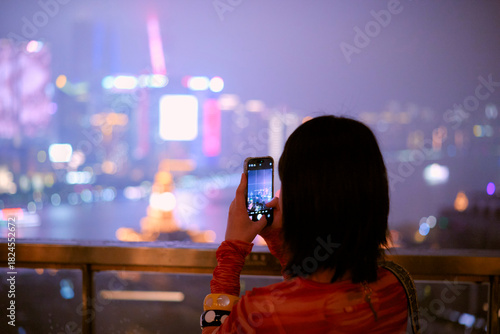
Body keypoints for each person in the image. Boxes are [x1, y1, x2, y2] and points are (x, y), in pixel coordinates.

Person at [200, 115, 411, 333]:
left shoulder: (263, 313)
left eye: (286, 186)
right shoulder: (393, 289)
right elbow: (311, 291)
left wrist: (232, 249)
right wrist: (284, 247)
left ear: (301, 201)